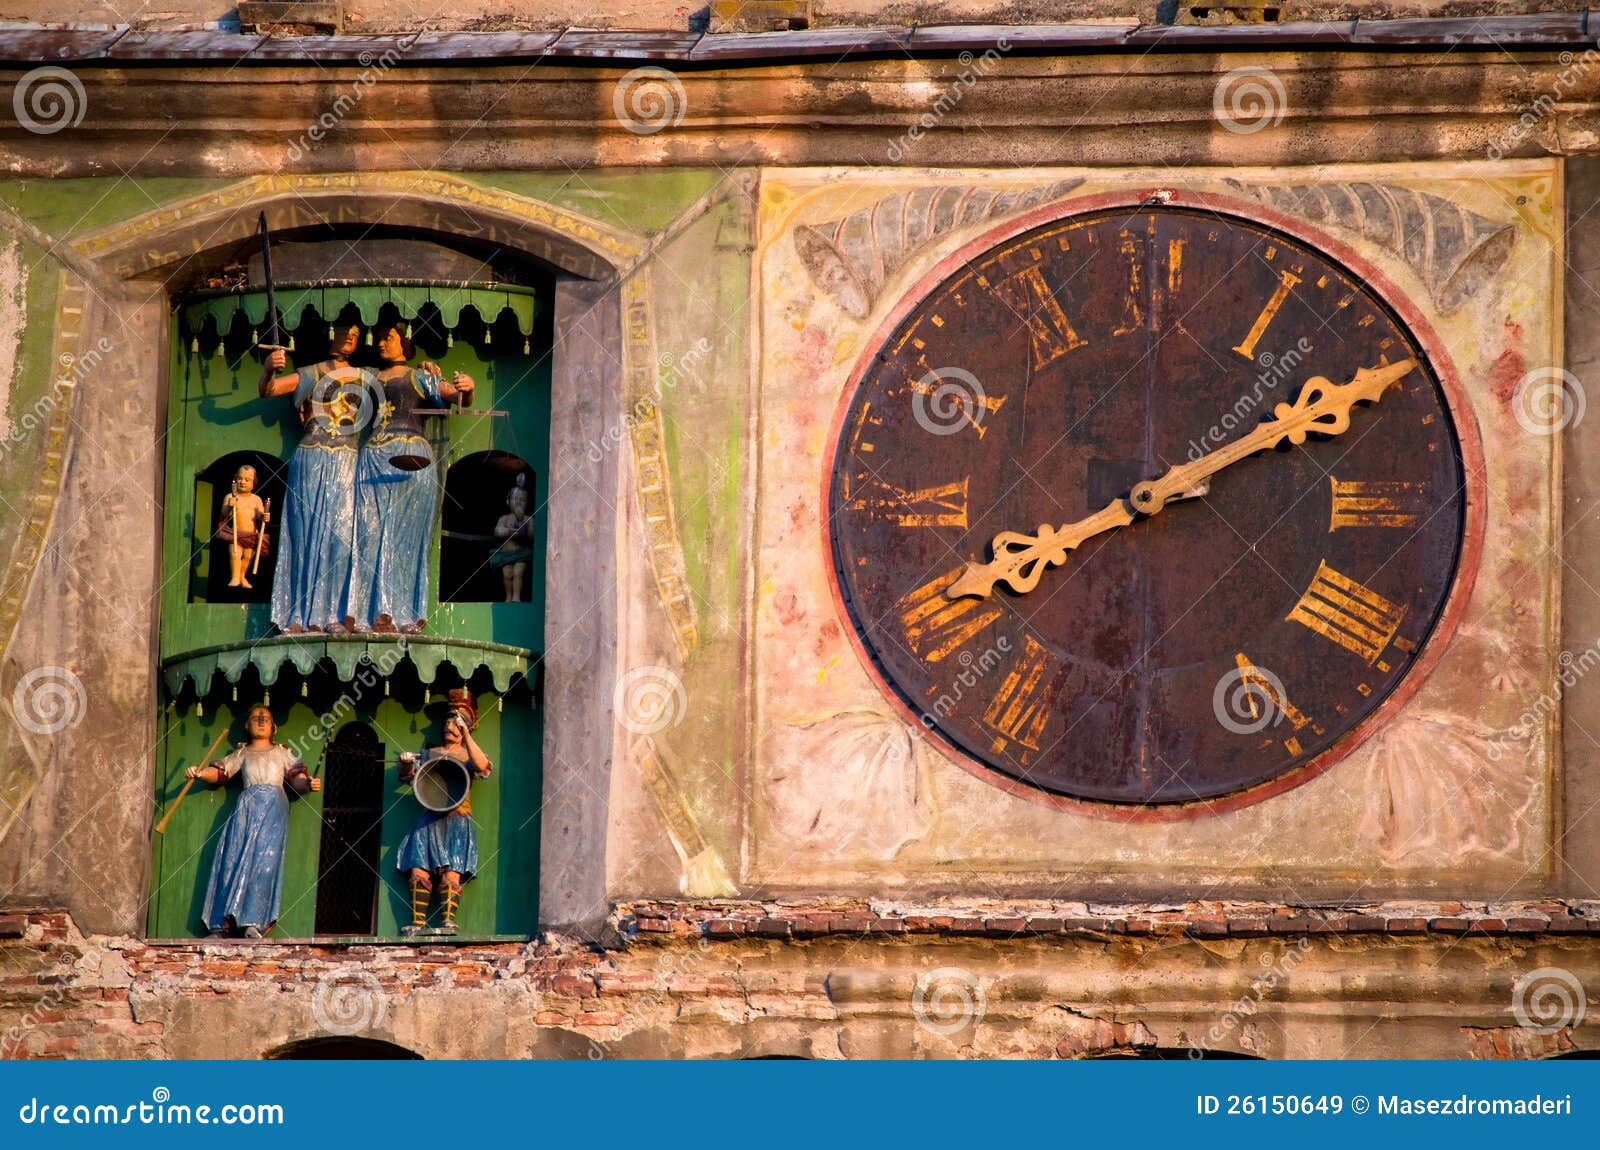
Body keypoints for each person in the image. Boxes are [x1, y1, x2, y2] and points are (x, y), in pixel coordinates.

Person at [347, 320, 474, 633]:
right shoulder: (368, 377)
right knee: (370, 535)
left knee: (407, 537)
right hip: (374, 459)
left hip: (412, 457)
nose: (380, 343)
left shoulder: (419, 375)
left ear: (403, 342)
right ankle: (368, 612)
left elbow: (453, 397)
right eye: (377, 338)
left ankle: (404, 613)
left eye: (387, 337)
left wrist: (466, 389)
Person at [260, 323, 373, 633]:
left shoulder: (366, 376)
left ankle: (336, 614)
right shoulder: (312, 372)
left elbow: (404, 389)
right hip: (312, 457)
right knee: (305, 534)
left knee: (341, 538)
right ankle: (297, 615)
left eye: (356, 333)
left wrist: (430, 372)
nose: (350, 337)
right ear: (330, 333)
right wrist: (269, 369)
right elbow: (269, 390)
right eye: (344, 330)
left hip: (348, 461)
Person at [190, 705, 320, 938]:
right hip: (247, 807)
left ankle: (252, 922)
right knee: (231, 860)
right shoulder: (243, 753)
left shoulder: (281, 753)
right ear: (247, 725)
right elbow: (221, 772)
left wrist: (308, 784)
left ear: (273, 726)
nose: (261, 721)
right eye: (255, 718)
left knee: (264, 865)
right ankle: (221, 924)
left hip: (273, 808)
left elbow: (297, 779)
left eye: (266, 718)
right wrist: (199, 774)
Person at [397, 692, 491, 936]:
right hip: (430, 817)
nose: (449, 726)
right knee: (419, 868)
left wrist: (467, 736)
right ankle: (418, 922)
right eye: (447, 722)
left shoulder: (468, 754)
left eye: (456, 723)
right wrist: (406, 762)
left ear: (465, 728)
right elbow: (408, 776)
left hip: (457, 818)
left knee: (452, 871)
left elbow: (481, 767)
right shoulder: (430, 753)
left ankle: (447, 920)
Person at [217, 464, 269, 589]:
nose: (242, 482)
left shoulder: (256, 499)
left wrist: (264, 517)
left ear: (254, 482)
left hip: (251, 535)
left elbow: (260, 516)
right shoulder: (230, 496)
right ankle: (234, 577)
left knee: (248, 556)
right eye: (240, 478)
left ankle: (242, 576)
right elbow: (223, 514)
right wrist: (230, 506)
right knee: (235, 553)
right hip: (235, 534)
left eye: (247, 480)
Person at [491, 473, 533, 602]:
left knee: (518, 572)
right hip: (506, 553)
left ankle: (516, 597)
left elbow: (532, 535)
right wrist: (509, 531)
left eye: (523, 500)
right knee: (507, 574)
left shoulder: (528, 519)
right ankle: (508, 596)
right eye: (516, 499)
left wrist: (524, 532)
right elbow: (497, 531)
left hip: (521, 553)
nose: (519, 502)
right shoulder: (504, 518)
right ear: (508, 501)